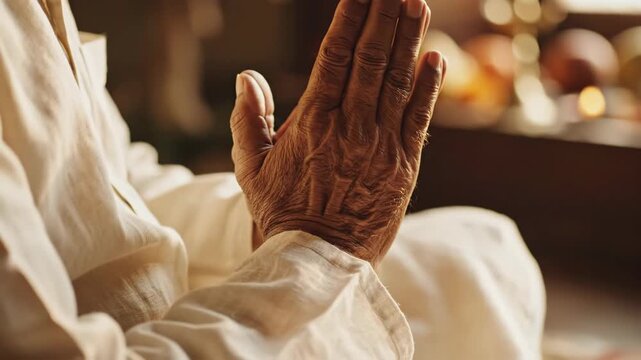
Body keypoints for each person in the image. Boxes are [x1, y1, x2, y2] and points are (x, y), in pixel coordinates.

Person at [0, 0, 545, 358]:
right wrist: (318, 246)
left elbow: (113, 183)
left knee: (476, 251)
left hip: (170, 299)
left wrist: (270, 223)